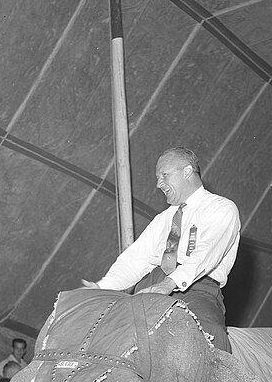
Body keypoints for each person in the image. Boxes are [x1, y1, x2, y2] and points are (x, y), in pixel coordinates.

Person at [82, 147, 240, 352]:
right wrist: (102, 288)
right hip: (151, 286)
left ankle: (221, 381)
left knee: (209, 334)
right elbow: (135, 260)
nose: (158, 184)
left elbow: (205, 255)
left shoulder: (221, 208)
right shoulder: (163, 219)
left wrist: (168, 284)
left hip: (197, 290)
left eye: (164, 175)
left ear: (187, 171)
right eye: (157, 178)